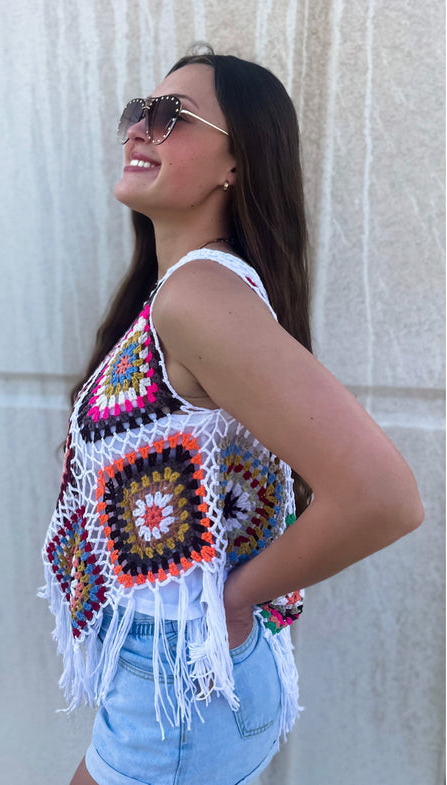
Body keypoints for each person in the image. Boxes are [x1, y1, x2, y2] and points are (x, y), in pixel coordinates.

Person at [40, 46, 423, 785]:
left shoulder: (197, 297)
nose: (139, 130)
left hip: (180, 681)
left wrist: (238, 595)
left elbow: (384, 497)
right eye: (135, 112)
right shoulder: (187, 291)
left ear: (236, 164)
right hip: (177, 675)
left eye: (169, 116)